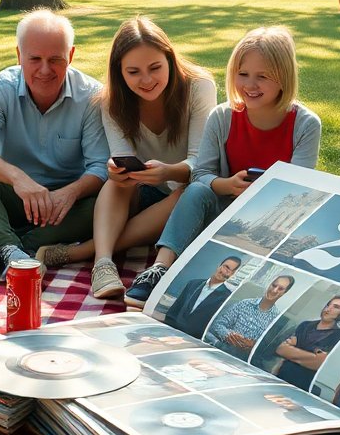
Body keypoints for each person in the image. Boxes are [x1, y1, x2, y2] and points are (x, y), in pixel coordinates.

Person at [124, 26, 321, 307]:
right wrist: (225, 185)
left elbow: (301, 187)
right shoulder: (222, 116)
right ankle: (159, 269)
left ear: (284, 77)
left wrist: (260, 194)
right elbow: (201, 173)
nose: (250, 85)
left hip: (267, 220)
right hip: (220, 210)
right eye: (243, 74)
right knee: (193, 192)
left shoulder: (306, 125)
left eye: (262, 77)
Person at [34, 17, 216, 299]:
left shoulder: (198, 87)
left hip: (187, 193)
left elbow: (202, 165)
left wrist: (168, 172)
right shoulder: (111, 100)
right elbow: (123, 158)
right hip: (142, 193)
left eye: (155, 68)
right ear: (120, 73)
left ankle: (80, 251)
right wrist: (117, 169)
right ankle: (103, 264)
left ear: (170, 59)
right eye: (133, 72)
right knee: (116, 181)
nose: (146, 80)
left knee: (188, 192)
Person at [0, 10, 108, 276]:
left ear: (71, 56)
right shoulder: (1, 87)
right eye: (35, 59)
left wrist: (71, 192)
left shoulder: (92, 96)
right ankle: (12, 248)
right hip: (14, 197)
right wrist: (18, 179)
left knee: (109, 201)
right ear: (19, 55)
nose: (45, 70)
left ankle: (6, 246)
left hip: (65, 207)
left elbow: (100, 167)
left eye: (55, 59)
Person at [205, 274, 295, 360]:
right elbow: (217, 324)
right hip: (219, 352)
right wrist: (227, 335)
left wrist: (254, 346)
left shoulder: (275, 320)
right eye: (274, 285)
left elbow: (267, 350)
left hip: (243, 362)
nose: (274, 290)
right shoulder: (244, 304)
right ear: (269, 284)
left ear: (284, 293)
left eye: (280, 289)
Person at [273, 295, 340, 390]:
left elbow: (318, 363)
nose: (329, 309)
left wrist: (292, 352)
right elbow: (281, 349)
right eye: (328, 305)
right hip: (281, 375)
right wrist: (309, 356)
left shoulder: (338, 336)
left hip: (302, 385)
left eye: (336, 307)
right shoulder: (305, 325)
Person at [163, 256, 242, 337]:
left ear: (233, 275)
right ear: (219, 265)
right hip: (171, 332)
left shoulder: (226, 297)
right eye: (226, 267)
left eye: (231, 271)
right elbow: (174, 310)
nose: (226, 272)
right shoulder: (193, 284)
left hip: (193, 340)